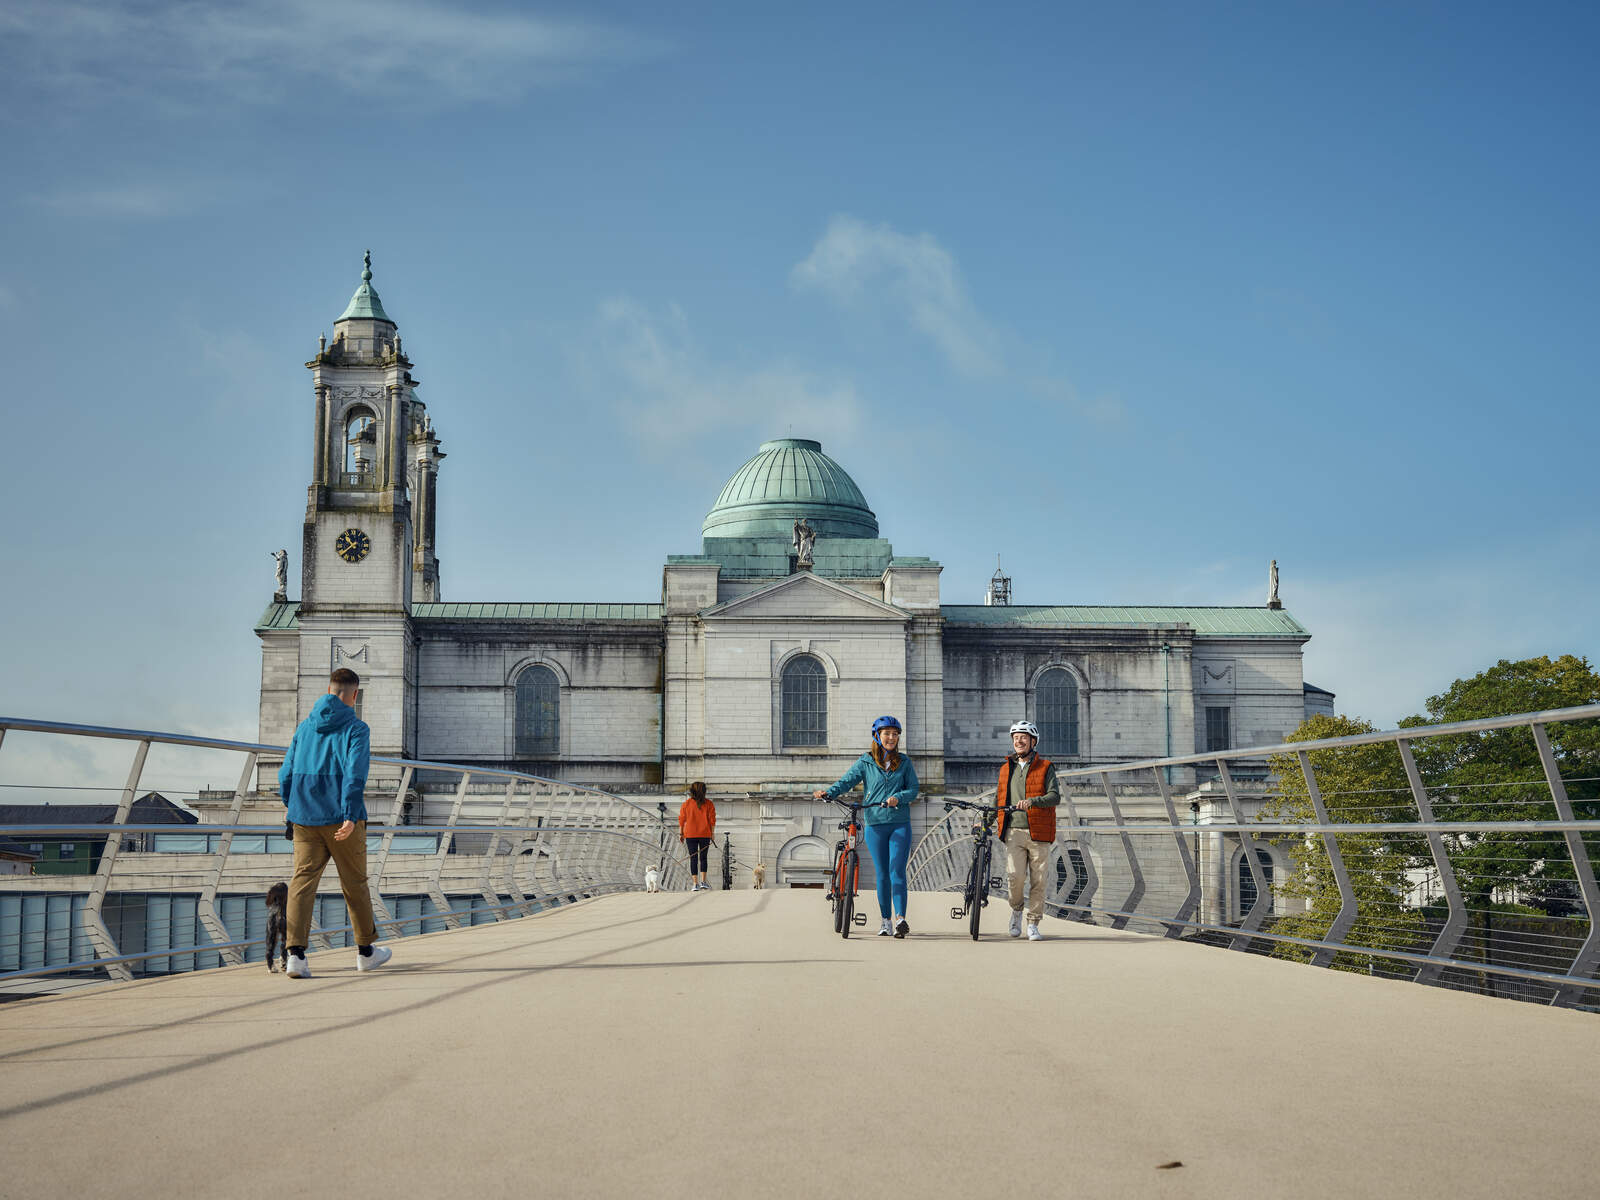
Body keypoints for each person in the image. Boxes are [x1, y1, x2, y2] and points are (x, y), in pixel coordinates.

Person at [277, 668, 391, 977]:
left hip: (304, 816)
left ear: (329, 690)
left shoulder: (304, 727)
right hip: (342, 819)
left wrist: (292, 804)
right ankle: (366, 953)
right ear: (354, 695)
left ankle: (295, 956)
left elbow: (285, 773)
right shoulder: (357, 728)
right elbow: (355, 774)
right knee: (354, 884)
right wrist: (350, 815)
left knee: (302, 883)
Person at [814, 716, 920, 938]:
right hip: (875, 824)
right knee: (882, 874)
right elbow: (847, 781)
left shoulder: (904, 762)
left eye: (895, 734)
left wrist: (899, 797)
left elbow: (913, 790)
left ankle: (901, 919)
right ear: (877, 736)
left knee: (897, 871)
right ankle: (885, 921)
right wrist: (828, 793)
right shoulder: (866, 762)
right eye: (887, 733)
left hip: (899, 823)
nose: (891, 738)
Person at [997, 720, 1060, 941]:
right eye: (1016, 738)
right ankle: (1016, 911)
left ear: (1033, 741)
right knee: (1015, 877)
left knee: (1039, 880)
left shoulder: (1045, 767)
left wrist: (1033, 801)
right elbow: (999, 798)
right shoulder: (1006, 768)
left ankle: (1033, 923)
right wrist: (985, 819)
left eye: (1023, 737)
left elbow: (1054, 796)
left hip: (1039, 832)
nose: (1019, 741)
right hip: (1013, 831)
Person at [678, 781, 716, 891]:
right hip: (705, 834)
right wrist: (712, 833)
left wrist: (681, 833)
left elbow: (682, 820)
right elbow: (712, 820)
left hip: (690, 834)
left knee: (693, 858)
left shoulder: (686, 804)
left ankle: (695, 884)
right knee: (703, 858)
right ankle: (703, 882)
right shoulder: (709, 804)